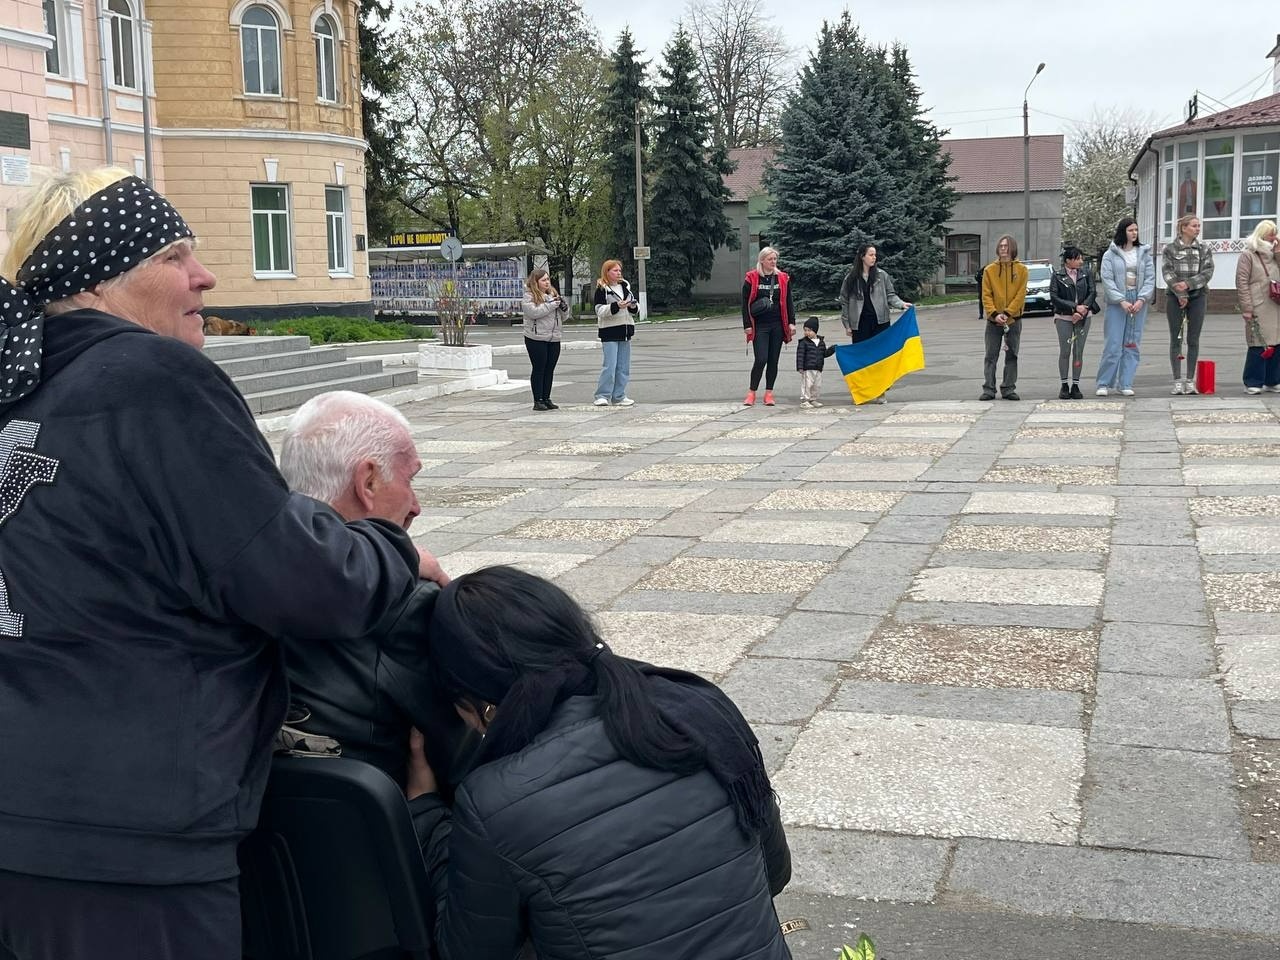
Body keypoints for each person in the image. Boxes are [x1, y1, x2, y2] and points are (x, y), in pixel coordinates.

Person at [0, 169, 437, 960]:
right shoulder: (148, 378)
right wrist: (389, 545)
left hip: (27, 823)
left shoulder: (24, 391)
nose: (204, 275)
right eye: (174, 255)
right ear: (102, 277)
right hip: (135, 837)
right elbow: (304, 584)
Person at [405, 566, 793, 960]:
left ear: (480, 706)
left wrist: (425, 812)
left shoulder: (494, 799)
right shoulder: (701, 711)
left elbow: (467, 951)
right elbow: (774, 873)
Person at [278, 391, 476, 792]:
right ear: (367, 481)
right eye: (411, 479)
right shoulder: (409, 607)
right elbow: (466, 755)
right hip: (390, 836)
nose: (417, 506)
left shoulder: (230, 579)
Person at [839, 243, 911, 404]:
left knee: (880, 358)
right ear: (862, 256)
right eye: (871, 255)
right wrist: (847, 324)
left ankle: (881, 392)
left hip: (880, 322)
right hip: (860, 324)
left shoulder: (881, 275)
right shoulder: (851, 278)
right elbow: (844, 301)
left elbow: (891, 295)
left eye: (875, 255)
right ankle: (864, 392)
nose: (874, 257)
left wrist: (901, 304)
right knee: (863, 359)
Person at [1096, 217, 1155, 397]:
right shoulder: (1110, 254)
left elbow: (1150, 278)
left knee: (1132, 342)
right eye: (1130, 230)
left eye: (1136, 230)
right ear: (1123, 231)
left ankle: (1125, 382)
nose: (1134, 233)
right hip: (1118, 303)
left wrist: (1141, 299)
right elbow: (1107, 279)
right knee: (1113, 343)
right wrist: (1120, 300)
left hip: (1137, 301)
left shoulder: (1144, 253)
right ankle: (1104, 382)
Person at [1162, 214, 1215, 395]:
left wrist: (1188, 285)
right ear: (1183, 228)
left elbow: (1207, 272)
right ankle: (1177, 380)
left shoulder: (1203, 249)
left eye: (1199, 226)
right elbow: (1167, 273)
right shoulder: (1170, 249)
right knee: (1176, 338)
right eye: (1194, 226)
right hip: (1174, 297)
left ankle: (1190, 380)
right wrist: (1180, 292)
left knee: (1193, 339)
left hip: (1198, 296)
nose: (1197, 229)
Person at [741, 246, 795, 406]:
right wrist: (747, 325)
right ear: (762, 260)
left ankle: (769, 394)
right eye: (770, 259)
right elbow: (745, 304)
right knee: (761, 359)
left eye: (775, 259)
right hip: (760, 326)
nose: (773, 262)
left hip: (778, 325)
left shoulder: (783, 278)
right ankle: (751, 393)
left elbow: (789, 302)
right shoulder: (751, 278)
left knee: (773, 360)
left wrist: (791, 322)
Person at [980, 234, 1028, 401]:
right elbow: (986, 295)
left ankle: (1008, 388)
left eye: (1006, 246)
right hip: (994, 322)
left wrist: (1007, 313)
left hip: (1013, 320)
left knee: (1012, 355)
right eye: (1000, 246)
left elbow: (1020, 294)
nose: (1003, 249)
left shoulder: (1021, 270)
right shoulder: (989, 270)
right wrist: (994, 314)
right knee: (990, 356)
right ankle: (989, 389)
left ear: (1012, 248)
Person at [1049, 245, 1101, 399]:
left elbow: (1093, 291)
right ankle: (1064, 384)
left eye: (1080, 258)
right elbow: (1054, 297)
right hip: (1064, 317)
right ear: (1068, 260)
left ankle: (1076, 385)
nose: (1080, 261)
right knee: (1065, 351)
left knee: (1078, 351)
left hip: (1084, 316)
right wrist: (1074, 308)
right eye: (1077, 258)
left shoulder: (1086, 274)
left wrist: (1083, 308)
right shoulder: (1058, 276)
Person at [1236, 219, 1280, 394]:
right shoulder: (1248, 254)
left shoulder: (1275, 254)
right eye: (1271, 233)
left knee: (1277, 343)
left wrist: (1278, 251)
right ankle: (1253, 381)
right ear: (1262, 234)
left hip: (1276, 305)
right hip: (1258, 304)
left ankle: (1273, 379)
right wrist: (1246, 307)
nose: (1274, 236)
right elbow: (1242, 282)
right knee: (1258, 343)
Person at [522, 267, 568, 411]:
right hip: (536, 338)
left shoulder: (553, 295)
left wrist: (563, 307)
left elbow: (564, 317)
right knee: (539, 368)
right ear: (536, 282)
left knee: (550, 369)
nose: (547, 282)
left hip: (554, 337)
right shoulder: (529, 296)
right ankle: (538, 400)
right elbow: (534, 312)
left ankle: (547, 398)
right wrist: (550, 305)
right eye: (543, 280)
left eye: (548, 279)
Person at [593, 259, 637, 406]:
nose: (618, 273)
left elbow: (634, 309)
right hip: (609, 331)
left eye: (619, 270)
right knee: (610, 366)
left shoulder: (625, 287)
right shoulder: (602, 289)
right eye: (615, 270)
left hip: (625, 329)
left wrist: (632, 306)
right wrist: (616, 306)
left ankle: (619, 396)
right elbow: (599, 310)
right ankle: (602, 395)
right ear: (607, 272)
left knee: (623, 367)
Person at [796, 316, 836, 408]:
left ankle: (813, 399)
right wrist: (800, 367)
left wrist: (832, 349)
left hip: (818, 367)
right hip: (807, 368)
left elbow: (824, 354)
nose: (807, 333)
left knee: (816, 385)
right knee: (807, 384)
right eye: (805, 330)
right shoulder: (803, 342)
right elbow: (800, 355)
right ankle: (805, 400)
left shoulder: (821, 342)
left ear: (815, 331)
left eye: (809, 330)